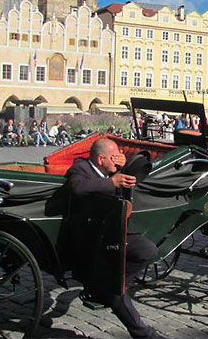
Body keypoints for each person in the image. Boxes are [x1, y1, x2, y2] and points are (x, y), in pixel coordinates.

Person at [65, 138, 159, 338]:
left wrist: (122, 170)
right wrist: (111, 182)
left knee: (148, 250)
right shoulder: (80, 168)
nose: (117, 159)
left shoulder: (111, 171)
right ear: (100, 159)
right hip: (92, 235)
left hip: (112, 229)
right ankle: (113, 289)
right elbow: (78, 187)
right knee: (116, 290)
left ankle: (114, 283)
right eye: (113, 157)